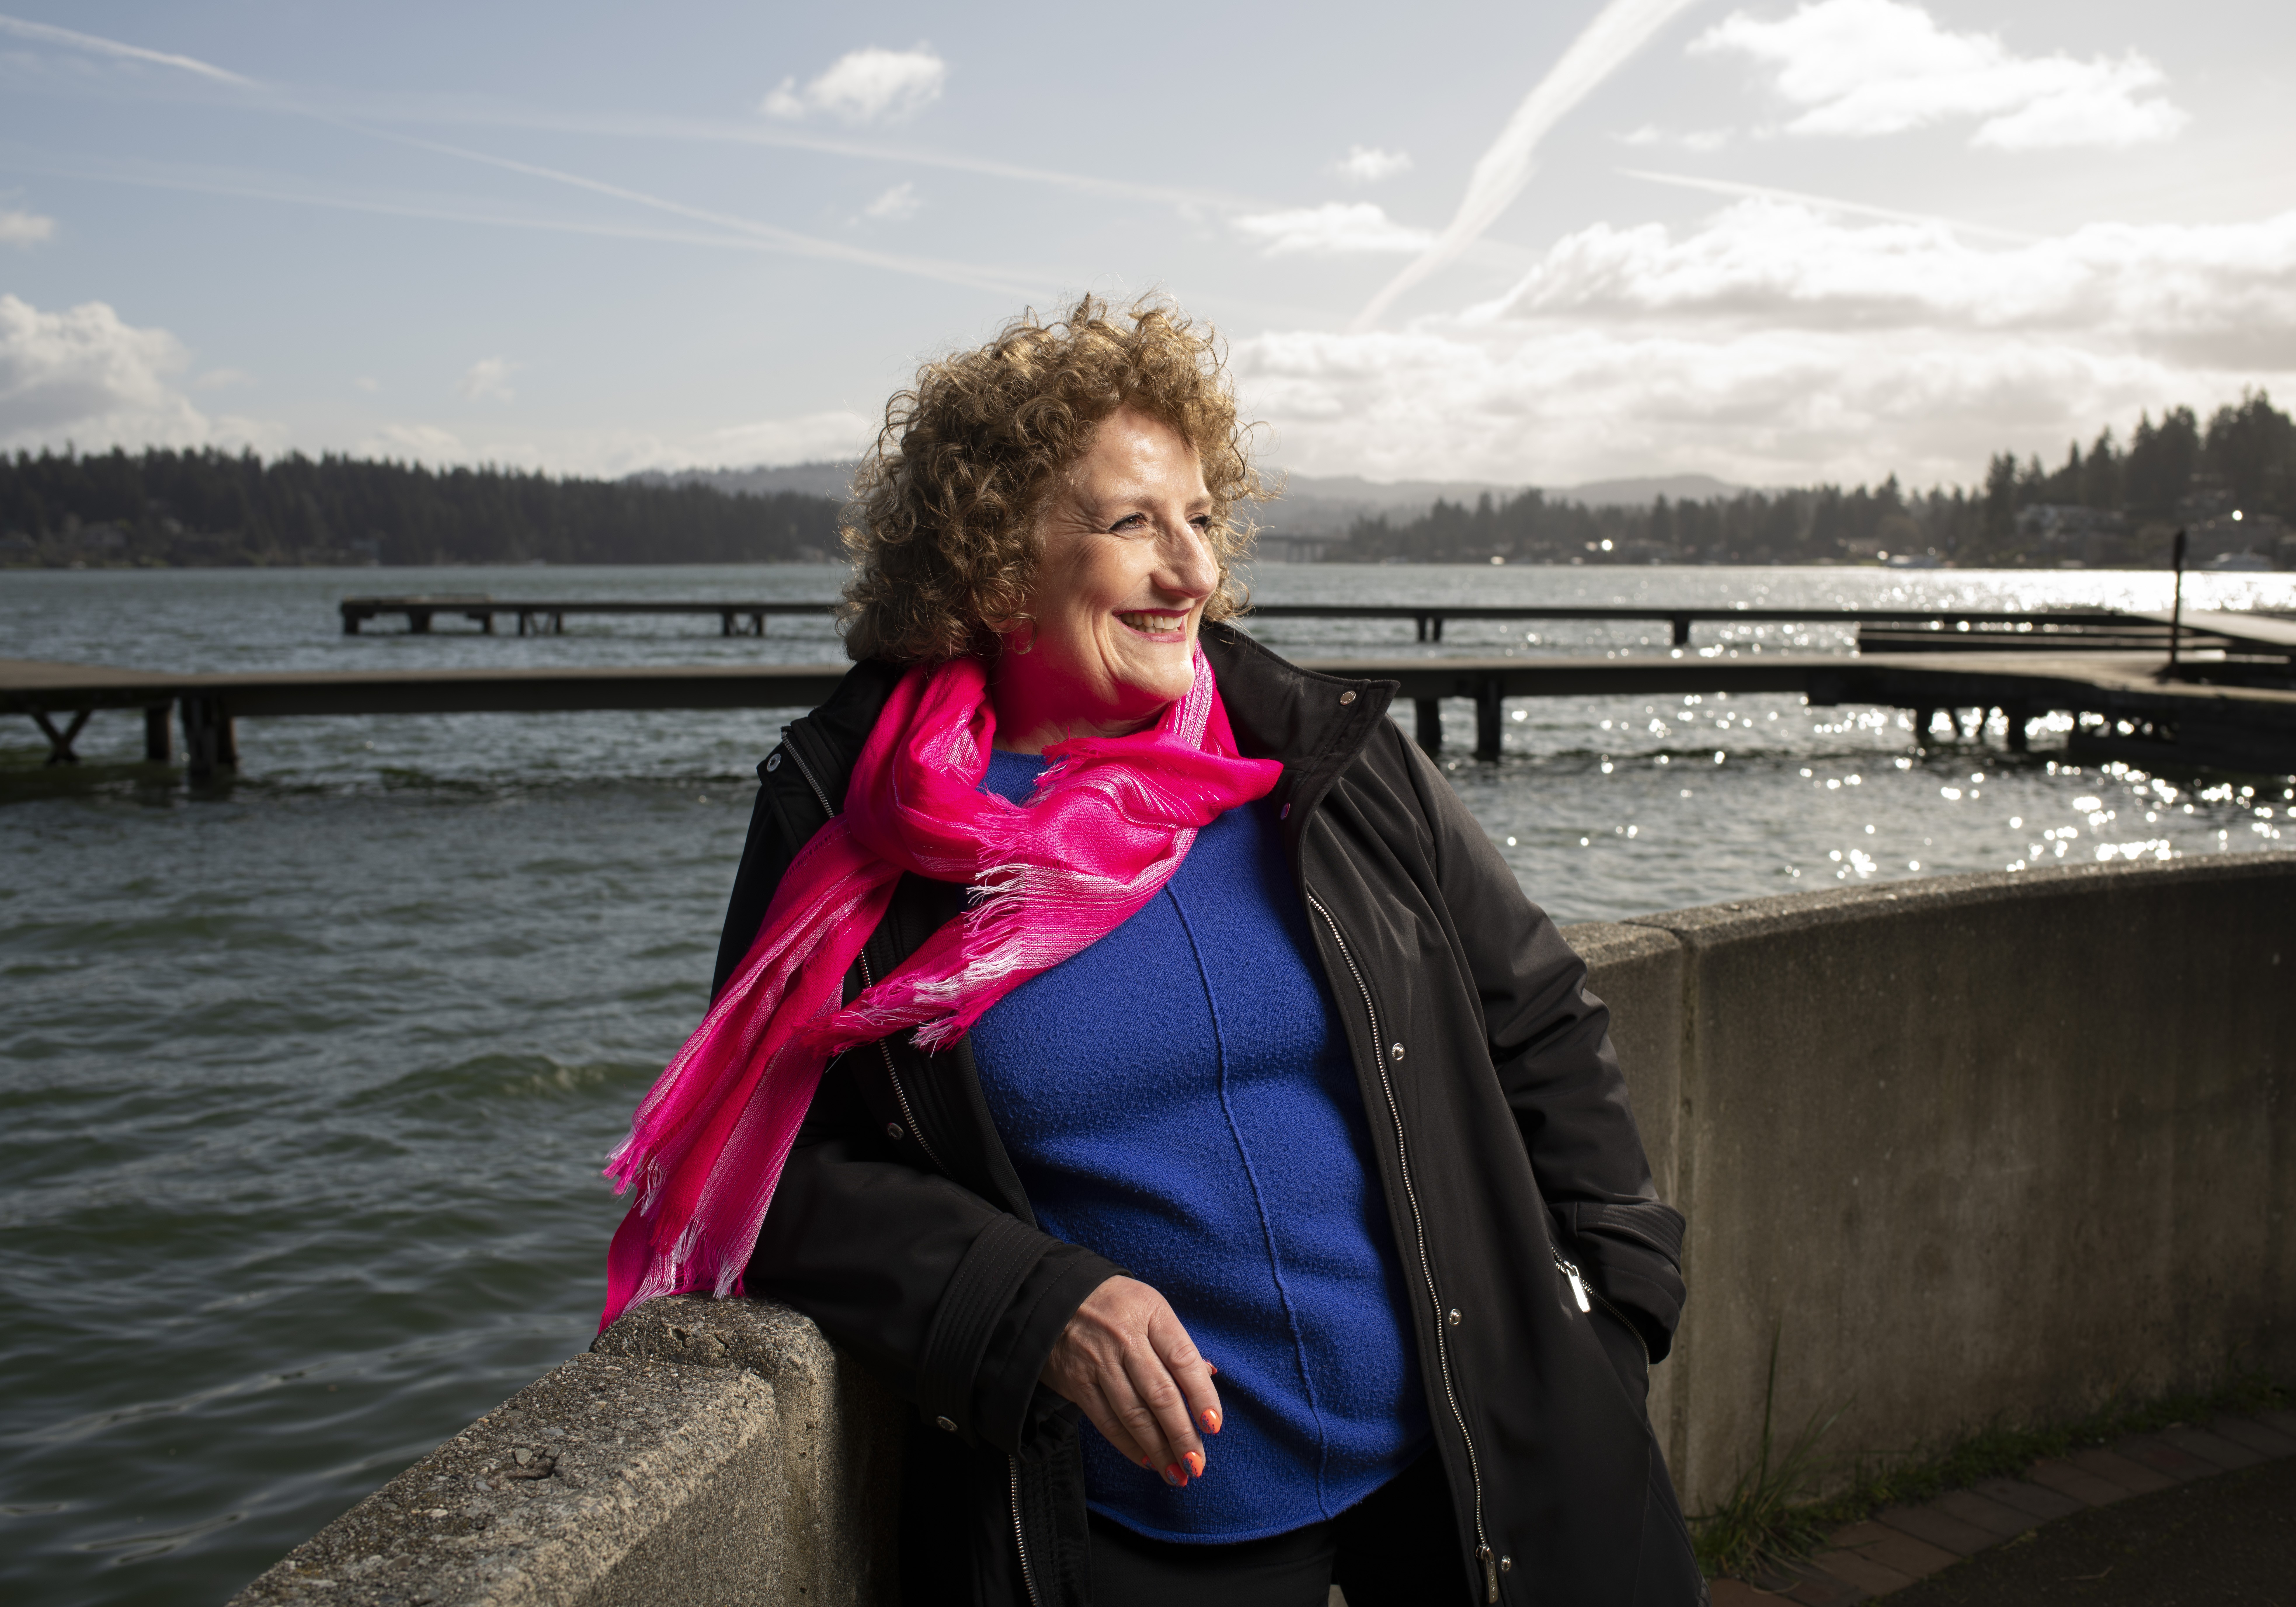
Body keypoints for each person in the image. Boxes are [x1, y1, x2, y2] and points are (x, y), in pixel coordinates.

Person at [601, 297, 1700, 1607]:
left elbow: (1541, 1016)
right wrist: (1028, 1302)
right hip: (1147, 1542)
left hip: (1485, 1464)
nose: (1194, 573)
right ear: (993, 564)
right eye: (1133, 525)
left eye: (1201, 520)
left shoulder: (1314, 754)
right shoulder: (856, 823)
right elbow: (772, 1168)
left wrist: (1612, 1308)